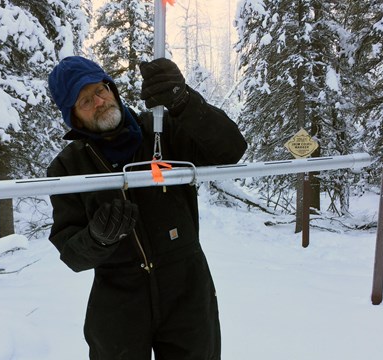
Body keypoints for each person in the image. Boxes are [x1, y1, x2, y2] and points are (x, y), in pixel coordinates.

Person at [46, 56, 247, 360]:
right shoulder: (68, 167)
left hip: (186, 292)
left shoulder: (160, 129)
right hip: (118, 302)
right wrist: (98, 238)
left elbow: (231, 149)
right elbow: (72, 253)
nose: (99, 101)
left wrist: (183, 101)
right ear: (73, 117)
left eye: (101, 90)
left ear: (112, 89)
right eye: (85, 100)